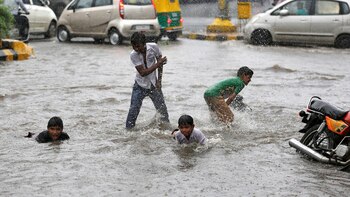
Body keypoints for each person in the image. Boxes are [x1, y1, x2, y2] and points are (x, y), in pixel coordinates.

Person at [125, 32, 170, 129]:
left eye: (138, 46)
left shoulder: (154, 47)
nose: (136, 49)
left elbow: (161, 64)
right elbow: (143, 73)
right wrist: (158, 63)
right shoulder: (133, 55)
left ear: (144, 43)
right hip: (139, 86)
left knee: (163, 111)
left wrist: (159, 81)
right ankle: (128, 132)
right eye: (134, 46)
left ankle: (167, 131)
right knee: (133, 110)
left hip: (154, 85)